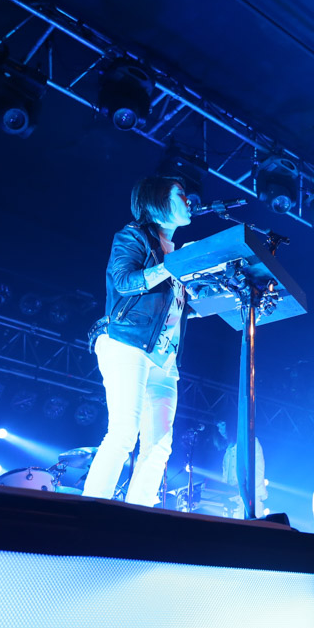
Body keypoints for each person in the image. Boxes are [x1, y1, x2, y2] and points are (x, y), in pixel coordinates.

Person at [82, 175, 195, 507]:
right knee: (123, 432)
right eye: (180, 194)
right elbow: (123, 281)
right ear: (157, 201)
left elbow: (173, 311)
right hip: (127, 341)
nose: (189, 200)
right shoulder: (132, 235)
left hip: (165, 357)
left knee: (159, 445)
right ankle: (90, 510)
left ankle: (137, 513)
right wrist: (174, 265)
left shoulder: (178, 253)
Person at [221, 425, 268, 519]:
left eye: (222, 425)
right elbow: (225, 477)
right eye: (218, 427)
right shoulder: (228, 451)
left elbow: (258, 471)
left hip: (250, 501)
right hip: (231, 503)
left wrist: (241, 491)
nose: (220, 430)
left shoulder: (251, 443)